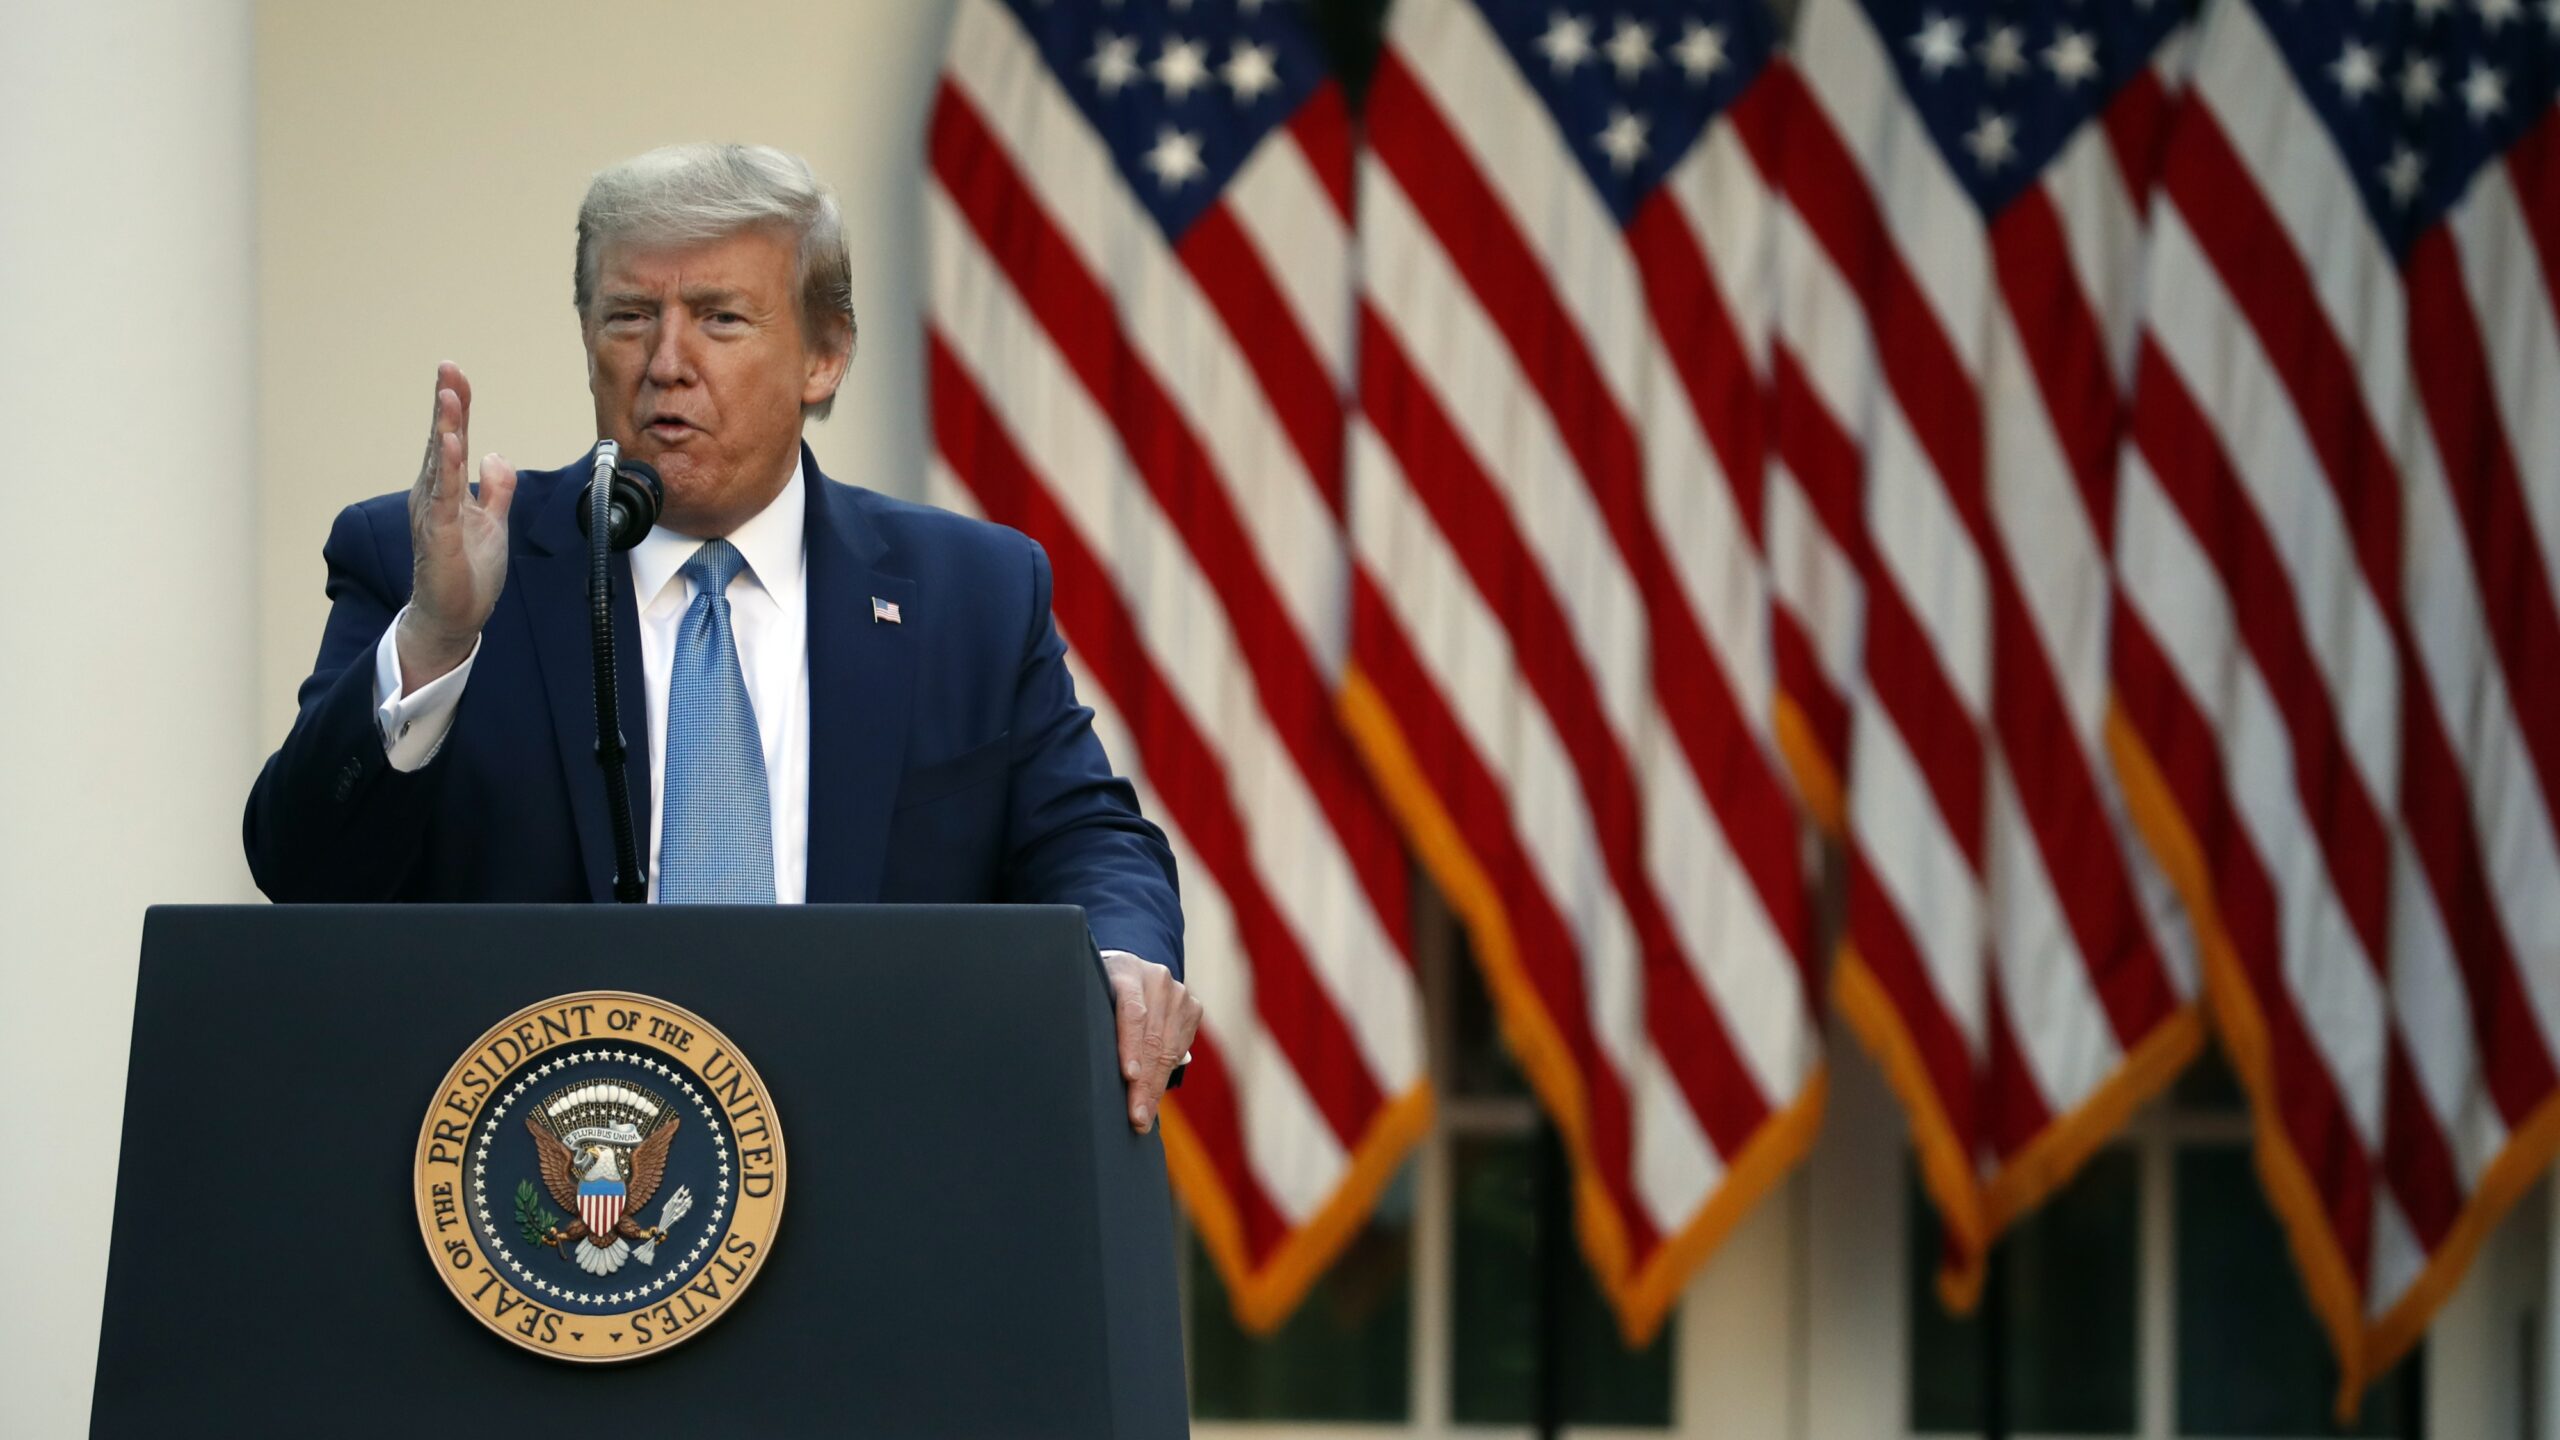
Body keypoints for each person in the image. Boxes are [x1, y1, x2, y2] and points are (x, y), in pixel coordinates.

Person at [245, 143, 1195, 1133]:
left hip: (877, 1171)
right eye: (628, 317)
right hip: (538, 1198)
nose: (665, 363)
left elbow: (1086, 836)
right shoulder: (430, 567)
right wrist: (437, 641)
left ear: (823, 355)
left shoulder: (969, 594)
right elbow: (304, 869)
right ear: (586, 339)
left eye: (719, 318)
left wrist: (1120, 959)